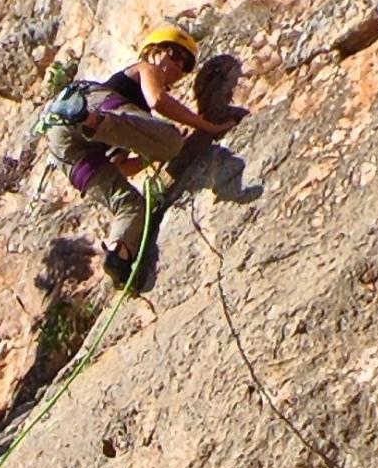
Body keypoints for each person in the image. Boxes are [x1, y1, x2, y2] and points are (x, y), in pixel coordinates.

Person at [44, 25, 239, 287]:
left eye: (185, 67)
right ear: (157, 52)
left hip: (62, 146)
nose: (179, 70)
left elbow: (120, 167)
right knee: (171, 141)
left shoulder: (127, 129)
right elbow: (158, 100)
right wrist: (208, 128)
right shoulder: (145, 68)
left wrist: (153, 153)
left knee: (131, 206)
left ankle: (119, 256)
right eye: (177, 58)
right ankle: (88, 119)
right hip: (91, 104)